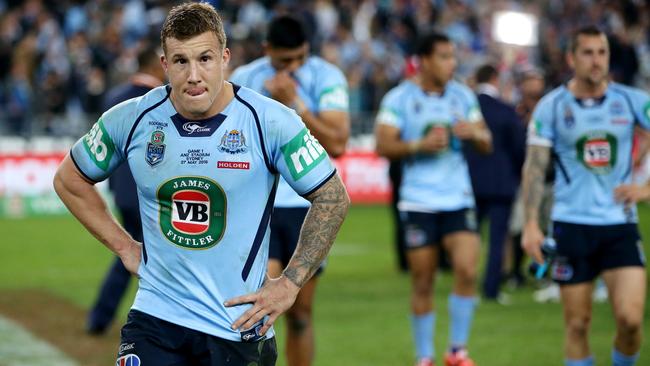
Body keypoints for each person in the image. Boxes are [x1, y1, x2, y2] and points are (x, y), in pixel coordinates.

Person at [53, 3, 349, 365]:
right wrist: (125, 247)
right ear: (164, 64)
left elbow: (332, 197)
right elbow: (70, 179)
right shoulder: (132, 119)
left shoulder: (269, 121)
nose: (193, 74)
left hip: (236, 327)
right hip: (155, 319)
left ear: (224, 58)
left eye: (205, 59)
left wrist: (291, 283)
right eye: (180, 61)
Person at [521, 25, 648, 366]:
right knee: (577, 325)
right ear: (571, 58)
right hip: (570, 225)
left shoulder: (631, 101)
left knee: (631, 320)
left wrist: (646, 189)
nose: (596, 60)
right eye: (588, 53)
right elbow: (534, 167)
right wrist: (532, 223)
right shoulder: (551, 107)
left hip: (619, 224)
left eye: (602, 52)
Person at [229, 14, 349, 366]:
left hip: (305, 205)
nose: (294, 67)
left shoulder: (327, 77)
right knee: (258, 309)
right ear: (267, 50)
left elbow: (338, 142)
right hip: (257, 207)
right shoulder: (243, 79)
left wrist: (296, 104)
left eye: (300, 58)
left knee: (300, 311)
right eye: (285, 61)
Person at [375, 31, 492, 366]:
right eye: (444, 56)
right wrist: (417, 146)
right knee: (423, 280)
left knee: (468, 271)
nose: (451, 63)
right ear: (424, 61)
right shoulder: (399, 99)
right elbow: (382, 146)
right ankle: (424, 356)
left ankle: (457, 351)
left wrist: (476, 134)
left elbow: (488, 143)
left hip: (459, 199)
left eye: (453, 56)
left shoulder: (463, 96)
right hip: (418, 202)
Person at [86, 43, 166, 335]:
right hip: (150, 194)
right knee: (153, 257)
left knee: (131, 255)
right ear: (157, 65)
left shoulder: (115, 97)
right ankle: (156, 324)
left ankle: (100, 318)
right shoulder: (160, 101)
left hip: (121, 190)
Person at [465, 64, 525, 302]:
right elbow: (519, 149)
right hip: (502, 184)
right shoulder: (506, 110)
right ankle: (491, 289)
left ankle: (466, 287)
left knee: (469, 238)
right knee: (497, 240)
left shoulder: (466, 108)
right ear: (495, 78)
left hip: (471, 184)